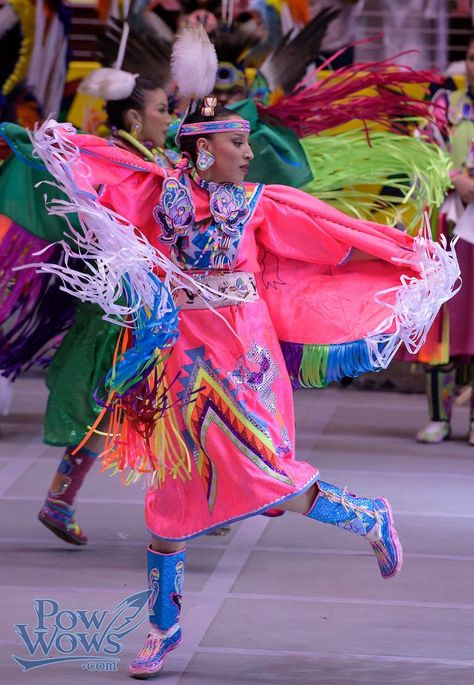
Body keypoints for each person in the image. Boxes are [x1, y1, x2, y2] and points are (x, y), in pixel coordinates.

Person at [28, 85, 460, 678]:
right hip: (180, 356)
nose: (249, 153)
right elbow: (102, 173)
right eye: (237, 143)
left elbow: (335, 236)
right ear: (203, 149)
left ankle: (367, 515)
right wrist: (57, 143)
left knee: (263, 476)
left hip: (245, 357)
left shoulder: (262, 205)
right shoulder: (160, 197)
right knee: (170, 495)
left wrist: (411, 258)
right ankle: (163, 627)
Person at [36, 74, 175, 546]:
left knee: (125, 402)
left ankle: (60, 499)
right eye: (163, 109)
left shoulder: (145, 159)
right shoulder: (114, 162)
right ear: (135, 117)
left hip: (138, 300)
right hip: (123, 305)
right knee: (139, 398)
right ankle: (208, 501)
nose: (169, 117)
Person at [416, 36, 474, 445]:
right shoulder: (446, 105)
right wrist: (457, 179)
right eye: (472, 57)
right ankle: (439, 416)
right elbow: (421, 152)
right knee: (442, 316)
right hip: (448, 223)